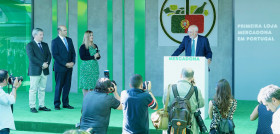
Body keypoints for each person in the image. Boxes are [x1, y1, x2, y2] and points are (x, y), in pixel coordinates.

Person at [162, 68, 205, 134]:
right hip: (190, 126)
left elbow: (165, 103)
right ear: (192, 77)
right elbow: (202, 104)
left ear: (181, 75)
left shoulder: (169, 88)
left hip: (173, 125)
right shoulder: (196, 90)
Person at [26, 28, 52, 113]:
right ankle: (32, 106)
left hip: (44, 70)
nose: (42, 36)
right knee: (33, 89)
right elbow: (32, 58)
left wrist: (47, 64)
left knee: (42, 89)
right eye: (40, 34)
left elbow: (49, 55)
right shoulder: (30, 45)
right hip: (35, 70)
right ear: (35, 35)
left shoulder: (45, 44)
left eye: (42, 34)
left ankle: (42, 105)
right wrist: (42, 64)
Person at [51, 25, 76, 110]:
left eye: (66, 30)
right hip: (60, 68)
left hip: (69, 68)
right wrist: (65, 64)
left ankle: (65, 103)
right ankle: (57, 104)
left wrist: (73, 62)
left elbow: (73, 53)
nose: (66, 32)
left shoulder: (69, 40)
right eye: (64, 30)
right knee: (59, 86)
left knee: (67, 86)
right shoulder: (55, 41)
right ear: (59, 31)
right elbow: (55, 55)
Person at [79, 30, 100, 97]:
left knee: (93, 84)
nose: (92, 36)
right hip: (86, 68)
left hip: (94, 68)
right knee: (85, 85)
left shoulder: (95, 46)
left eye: (92, 35)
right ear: (87, 37)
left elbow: (97, 57)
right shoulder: (83, 46)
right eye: (90, 35)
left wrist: (98, 56)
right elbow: (82, 57)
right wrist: (93, 56)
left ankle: (91, 101)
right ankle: (86, 100)